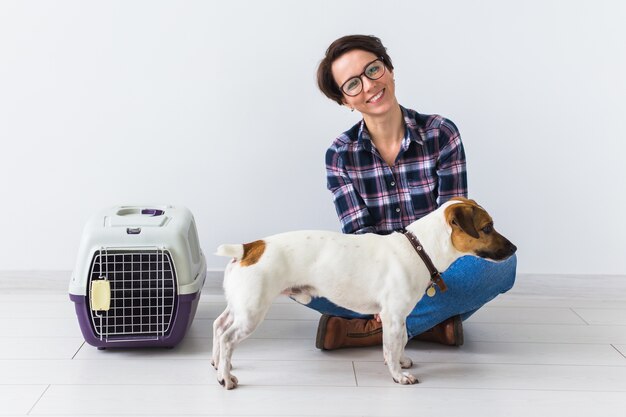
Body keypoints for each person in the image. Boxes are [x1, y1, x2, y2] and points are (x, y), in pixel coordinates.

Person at [305, 35, 517, 350]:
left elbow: (456, 226)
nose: (369, 85)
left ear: (389, 69)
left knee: (500, 266)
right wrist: (382, 292)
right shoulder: (339, 154)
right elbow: (359, 240)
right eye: (353, 84)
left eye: (373, 70)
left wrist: (407, 291)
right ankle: (433, 324)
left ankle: (378, 329)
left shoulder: (441, 133)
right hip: (374, 278)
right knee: (305, 276)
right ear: (344, 101)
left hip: (437, 271)